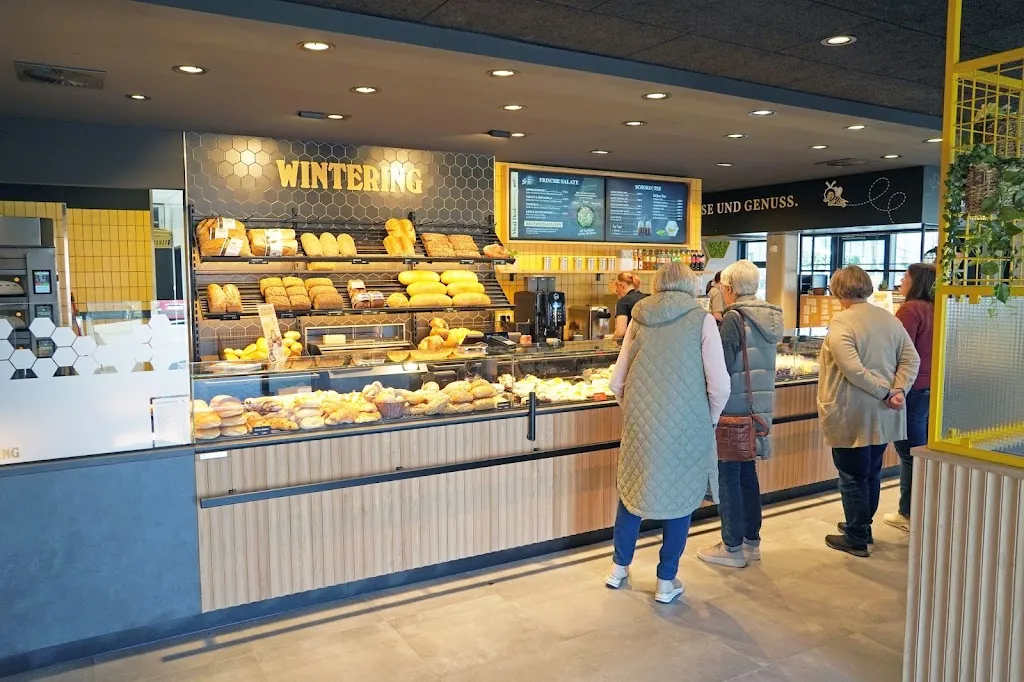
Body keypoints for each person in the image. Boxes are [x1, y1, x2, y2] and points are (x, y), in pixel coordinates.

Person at [607, 261, 731, 602]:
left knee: (632, 491)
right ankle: (666, 581)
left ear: (658, 284)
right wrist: (709, 419)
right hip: (688, 421)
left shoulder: (639, 316)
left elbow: (617, 379)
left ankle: (618, 569)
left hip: (640, 422)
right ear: (691, 285)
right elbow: (719, 385)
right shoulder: (702, 319)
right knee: (680, 499)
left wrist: (634, 411)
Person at [818, 265, 920, 557]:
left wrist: (887, 392)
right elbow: (911, 359)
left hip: (853, 411)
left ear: (837, 291)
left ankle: (856, 535)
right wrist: (898, 390)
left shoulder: (841, 323)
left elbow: (853, 370)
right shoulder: (889, 319)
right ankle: (861, 523)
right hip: (884, 413)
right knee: (871, 470)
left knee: (851, 473)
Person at [696, 260, 783, 568]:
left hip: (733, 408)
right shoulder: (770, 316)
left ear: (730, 289)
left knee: (728, 475)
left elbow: (720, 363)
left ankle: (731, 546)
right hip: (757, 408)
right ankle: (751, 542)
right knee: (748, 475)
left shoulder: (735, 318)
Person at [883, 263, 935, 532]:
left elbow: (898, 350)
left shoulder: (911, 310)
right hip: (931, 388)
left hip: (911, 388)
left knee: (910, 452)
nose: (901, 280)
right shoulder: (937, 307)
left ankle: (909, 513)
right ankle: (925, 510)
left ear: (916, 282)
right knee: (922, 449)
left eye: (905, 276)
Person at [611, 272, 646, 339]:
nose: (617, 292)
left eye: (617, 289)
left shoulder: (623, 302)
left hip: (631, 343)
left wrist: (612, 341)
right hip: (646, 342)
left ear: (621, 285)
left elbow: (621, 331)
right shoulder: (646, 298)